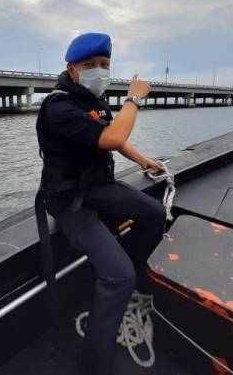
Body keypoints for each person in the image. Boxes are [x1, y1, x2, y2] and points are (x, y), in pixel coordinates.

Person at [35, 32, 167, 374]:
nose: (98, 70)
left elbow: (107, 135)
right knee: (117, 275)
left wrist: (140, 159)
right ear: (72, 69)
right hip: (69, 202)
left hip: (97, 187)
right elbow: (112, 136)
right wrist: (133, 100)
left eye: (104, 65)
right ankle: (93, 366)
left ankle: (134, 278)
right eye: (89, 65)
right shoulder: (59, 107)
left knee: (154, 212)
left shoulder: (91, 100)